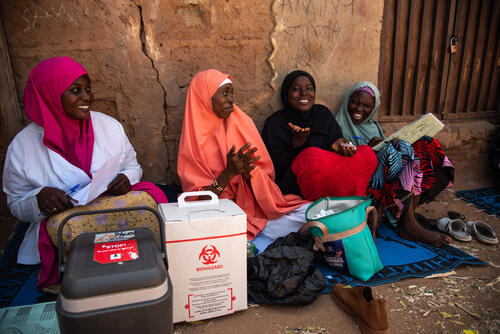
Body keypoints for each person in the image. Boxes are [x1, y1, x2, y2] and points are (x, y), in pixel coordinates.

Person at [2, 57, 167, 288]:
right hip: (69, 226)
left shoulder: (109, 127)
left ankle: (136, 264)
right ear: (49, 94)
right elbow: (16, 202)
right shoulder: (22, 147)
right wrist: (39, 198)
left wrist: (126, 179)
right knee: (72, 236)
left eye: (88, 90)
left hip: (113, 212)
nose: (87, 98)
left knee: (151, 208)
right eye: (75, 90)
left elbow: (133, 167)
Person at [177, 69, 309, 244]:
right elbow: (196, 203)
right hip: (222, 217)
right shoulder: (193, 143)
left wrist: (250, 173)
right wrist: (228, 174)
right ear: (204, 96)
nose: (231, 99)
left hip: (257, 207)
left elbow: (267, 175)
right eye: (225, 93)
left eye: (232, 93)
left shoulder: (241, 123)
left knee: (313, 212)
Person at [336, 81, 455, 246]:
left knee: (424, 143)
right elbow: (339, 166)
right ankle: (409, 225)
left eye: (366, 105)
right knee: (398, 148)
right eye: (354, 102)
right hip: (359, 186)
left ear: (374, 107)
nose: (358, 109)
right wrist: (365, 151)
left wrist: (379, 146)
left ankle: (408, 216)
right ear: (347, 100)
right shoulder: (337, 124)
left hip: (381, 182)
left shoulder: (373, 127)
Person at [262, 70, 377, 201]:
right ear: (286, 94)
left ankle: (351, 204)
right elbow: (274, 169)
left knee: (366, 153)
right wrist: (297, 144)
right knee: (310, 157)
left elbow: (337, 148)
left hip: (331, 182)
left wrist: (340, 146)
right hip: (295, 188)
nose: (304, 93)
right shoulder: (275, 123)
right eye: (296, 89)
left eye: (309, 89)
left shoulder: (323, 115)